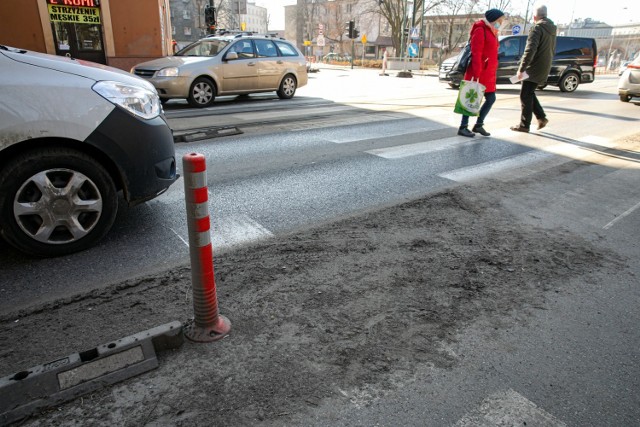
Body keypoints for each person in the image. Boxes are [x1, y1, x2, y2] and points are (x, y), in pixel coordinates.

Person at [458, 9, 506, 137]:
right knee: (471, 98)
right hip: (478, 71)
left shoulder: (493, 31)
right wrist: (477, 72)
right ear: (493, 19)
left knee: (491, 99)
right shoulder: (480, 30)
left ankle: (479, 125)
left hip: (489, 73)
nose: (501, 23)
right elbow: (476, 52)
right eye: (499, 20)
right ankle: (463, 127)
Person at [511, 5, 557, 132]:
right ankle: (541, 118)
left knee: (525, 95)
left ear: (535, 16)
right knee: (529, 93)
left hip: (533, 67)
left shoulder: (537, 28)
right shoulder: (552, 29)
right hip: (544, 66)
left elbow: (530, 49)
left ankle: (524, 125)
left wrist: (522, 68)